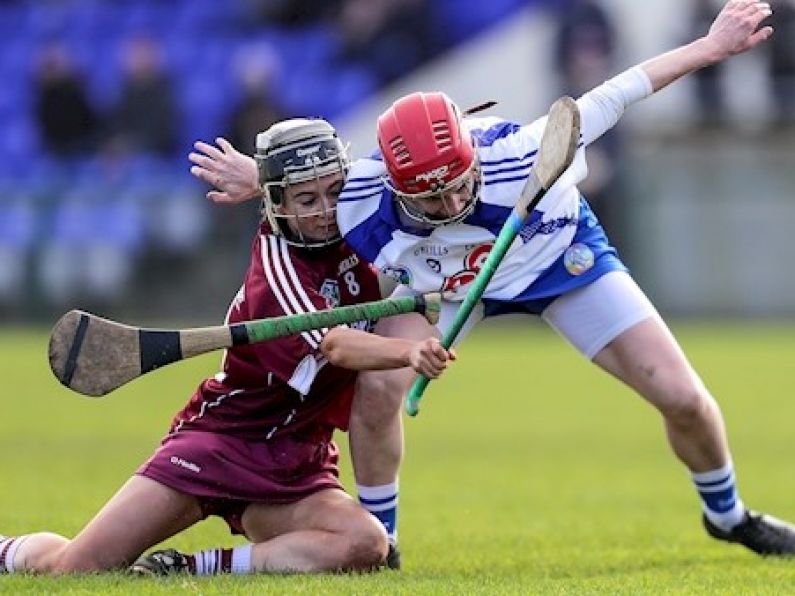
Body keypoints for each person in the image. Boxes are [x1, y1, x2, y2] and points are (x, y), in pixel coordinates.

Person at [187, 1, 795, 558]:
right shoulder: (364, 190)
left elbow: (626, 87)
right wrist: (258, 180)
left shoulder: (526, 152)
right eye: (428, 198)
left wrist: (712, 47)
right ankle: (382, 540)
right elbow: (304, 190)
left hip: (559, 263)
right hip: (444, 287)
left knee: (683, 397)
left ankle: (729, 515)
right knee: (375, 396)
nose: (448, 203)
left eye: (455, 184)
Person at [0, 118, 455, 577]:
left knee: (365, 544)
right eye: (306, 199)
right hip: (221, 443)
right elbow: (336, 346)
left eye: (335, 192)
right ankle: (8, 551)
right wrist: (406, 353)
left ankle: (187, 568)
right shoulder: (278, 269)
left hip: (297, 459)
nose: (325, 211)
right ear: (275, 203)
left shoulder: (355, 230)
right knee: (75, 569)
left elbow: (400, 176)